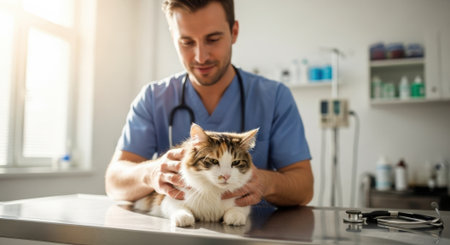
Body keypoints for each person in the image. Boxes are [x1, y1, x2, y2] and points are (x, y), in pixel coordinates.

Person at [105, 0, 313, 207]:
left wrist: (264, 182)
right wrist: (150, 173)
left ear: (234, 32)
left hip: (253, 232)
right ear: (173, 38)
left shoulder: (274, 97)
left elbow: (304, 188)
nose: (200, 56)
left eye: (212, 39)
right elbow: (114, 183)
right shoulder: (153, 98)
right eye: (187, 42)